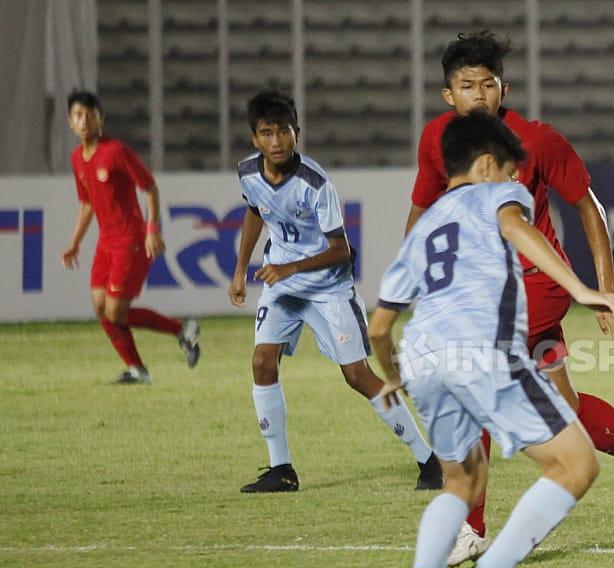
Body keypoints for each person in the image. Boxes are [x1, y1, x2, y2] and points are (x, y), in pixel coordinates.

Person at [406, 31, 614, 560]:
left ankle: (471, 527)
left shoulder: (535, 140)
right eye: (466, 86)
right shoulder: (436, 141)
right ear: (449, 95)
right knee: (564, 414)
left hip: (534, 288)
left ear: (503, 88)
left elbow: (588, 206)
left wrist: (606, 287)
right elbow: (425, 207)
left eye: (487, 84)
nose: (478, 94)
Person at [370, 110, 614, 568]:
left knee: (460, 483)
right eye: (510, 170)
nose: (516, 180)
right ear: (486, 163)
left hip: (423, 359)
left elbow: (379, 325)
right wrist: (583, 290)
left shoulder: (424, 227)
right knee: (576, 464)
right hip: (484, 352)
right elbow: (518, 228)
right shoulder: (496, 196)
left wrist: (393, 374)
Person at [227, 90, 441, 493]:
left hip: (328, 288)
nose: (277, 142)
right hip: (283, 287)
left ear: (297, 133)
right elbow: (255, 211)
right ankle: (281, 469)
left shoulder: (315, 182)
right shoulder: (247, 174)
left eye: (284, 132)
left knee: (358, 376)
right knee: (261, 362)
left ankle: (430, 461)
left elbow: (341, 249)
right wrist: (240, 270)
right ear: (254, 139)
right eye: (267, 133)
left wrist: (288, 266)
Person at [60, 90, 200, 383]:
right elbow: (87, 204)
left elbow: (150, 188)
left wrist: (152, 229)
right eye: (78, 115)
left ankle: (181, 329)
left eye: (89, 114)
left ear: (101, 119)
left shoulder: (116, 152)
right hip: (106, 243)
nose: (84, 120)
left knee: (115, 312)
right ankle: (137, 370)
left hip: (131, 241)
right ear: (70, 122)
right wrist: (75, 242)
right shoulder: (77, 159)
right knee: (101, 308)